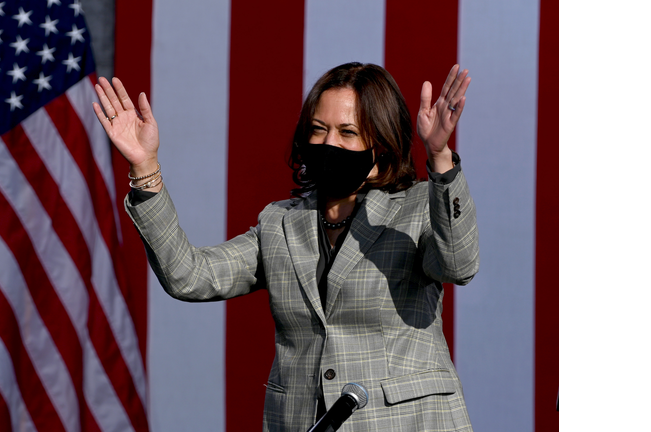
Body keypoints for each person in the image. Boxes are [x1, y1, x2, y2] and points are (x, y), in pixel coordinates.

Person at [92, 62, 479, 432]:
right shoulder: (279, 223)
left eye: (347, 132)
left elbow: (459, 265)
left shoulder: (419, 208)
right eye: (318, 129)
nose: (329, 143)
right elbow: (188, 276)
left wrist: (440, 159)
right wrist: (145, 168)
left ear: (379, 152)